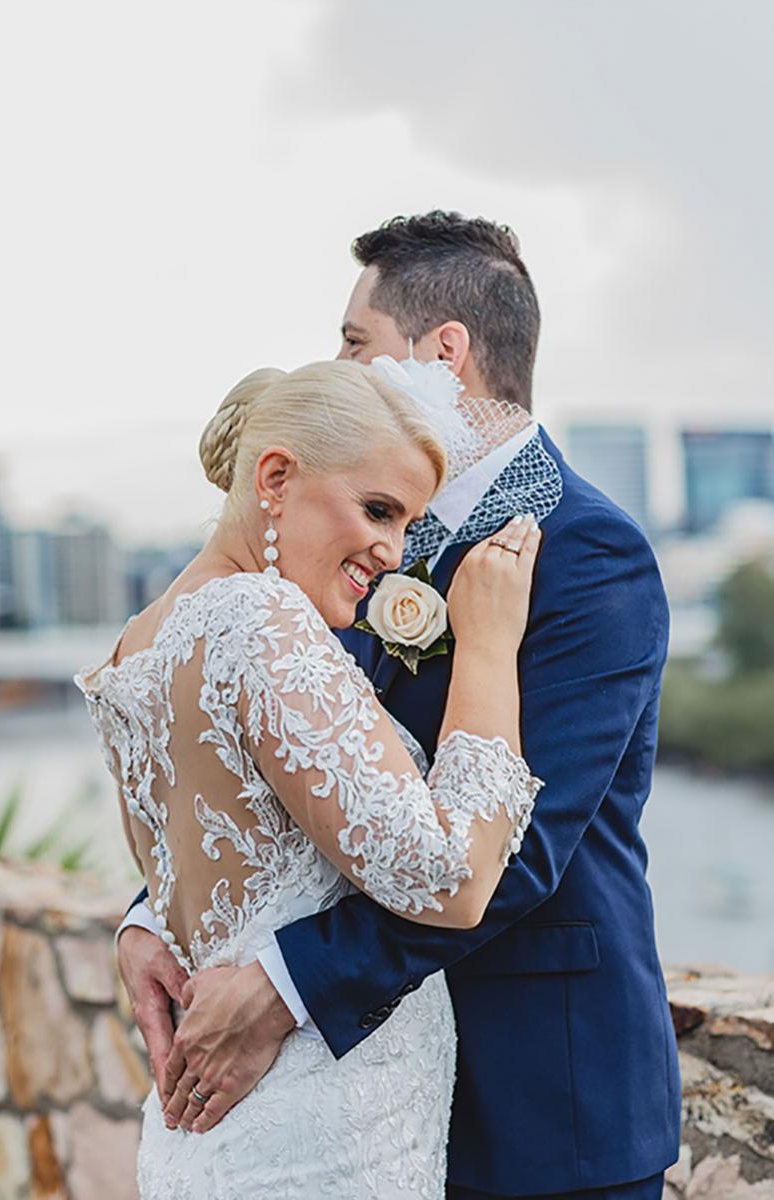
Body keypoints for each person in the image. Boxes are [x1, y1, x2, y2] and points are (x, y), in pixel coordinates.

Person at [118, 212, 681, 1200]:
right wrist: (153, 913)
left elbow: (523, 853)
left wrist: (289, 983)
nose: (332, 366)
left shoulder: (589, 553)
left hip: (538, 1104)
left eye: (353, 343)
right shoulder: (337, 537)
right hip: (357, 1101)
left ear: (444, 352)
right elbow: (273, 762)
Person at [77, 357, 543, 1197]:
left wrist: (137, 926)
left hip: (216, 1137)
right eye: (376, 509)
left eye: (406, 523)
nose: (391, 551)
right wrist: (485, 643)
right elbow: (452, 879)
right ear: (276, 478)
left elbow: (182, 863)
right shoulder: (259, 612)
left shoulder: (136, 642)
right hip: (322, 1141)